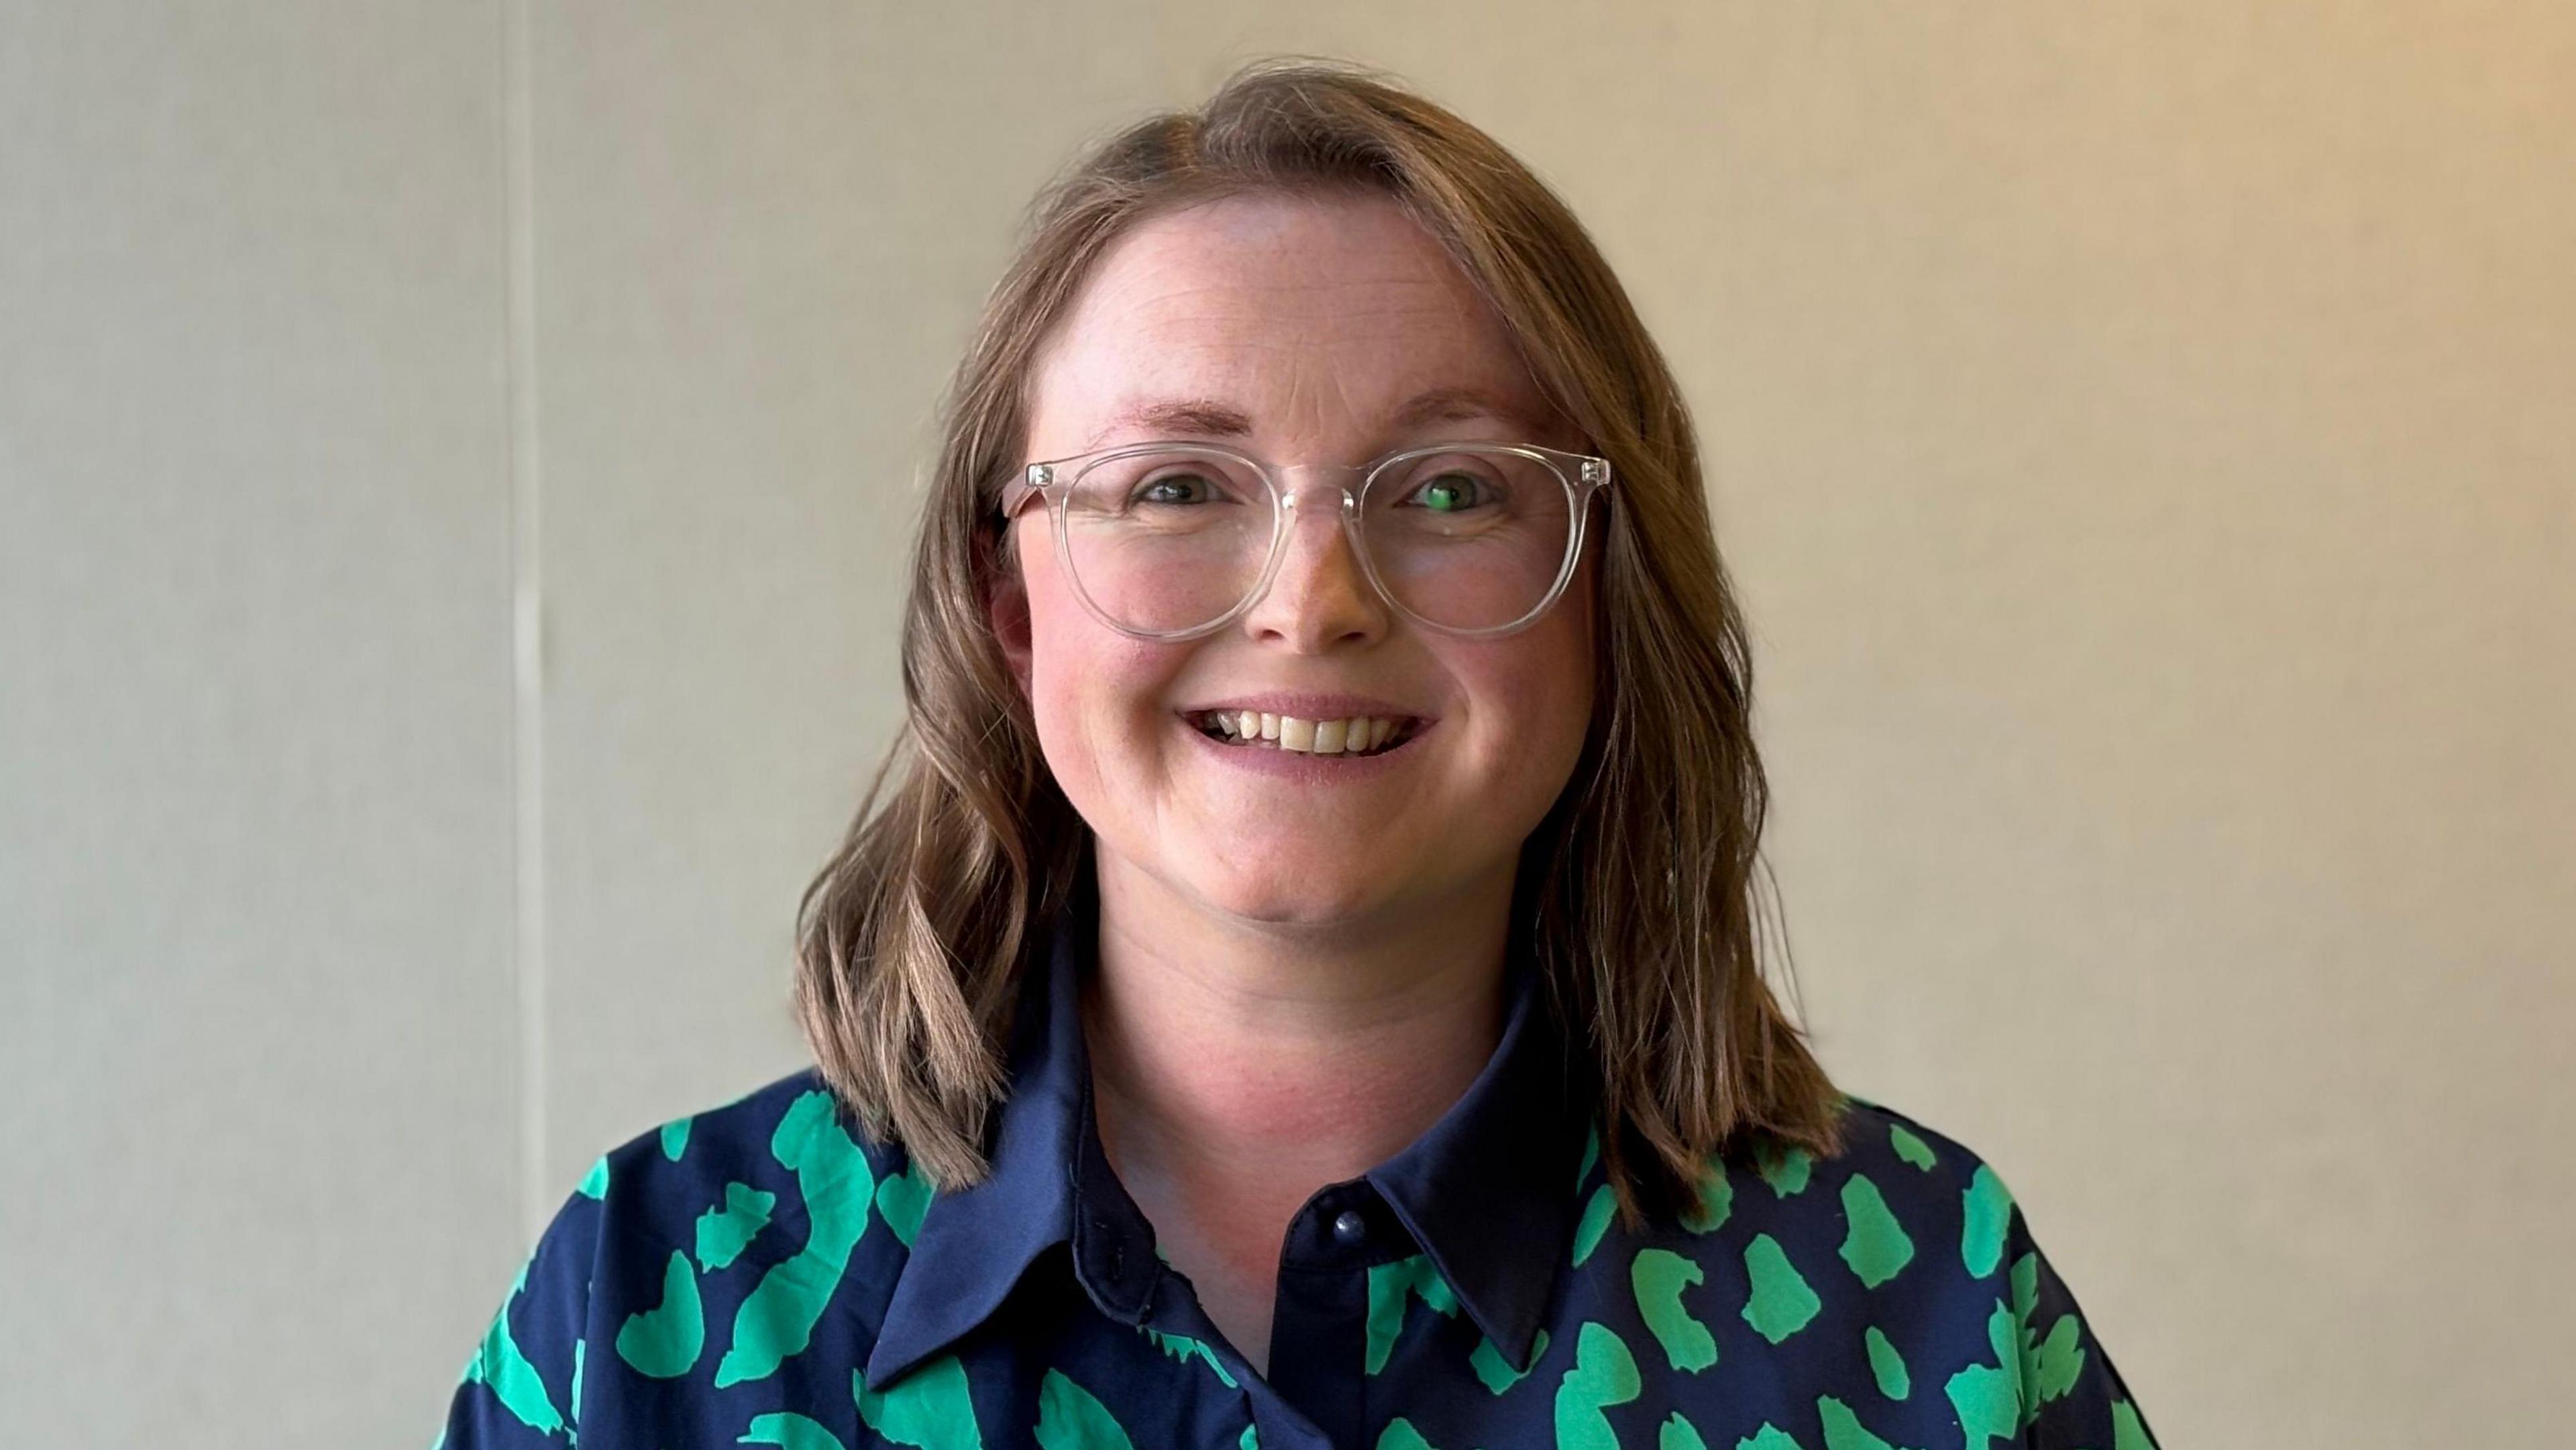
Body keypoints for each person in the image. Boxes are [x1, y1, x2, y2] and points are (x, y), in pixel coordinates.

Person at [437, 57, 2160, 1450]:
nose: (1315, 601)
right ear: (1010, 601)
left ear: (1604, 600)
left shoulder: (1923, 1305)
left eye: (1452, 488)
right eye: (1179, 485)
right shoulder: (654, 1307)